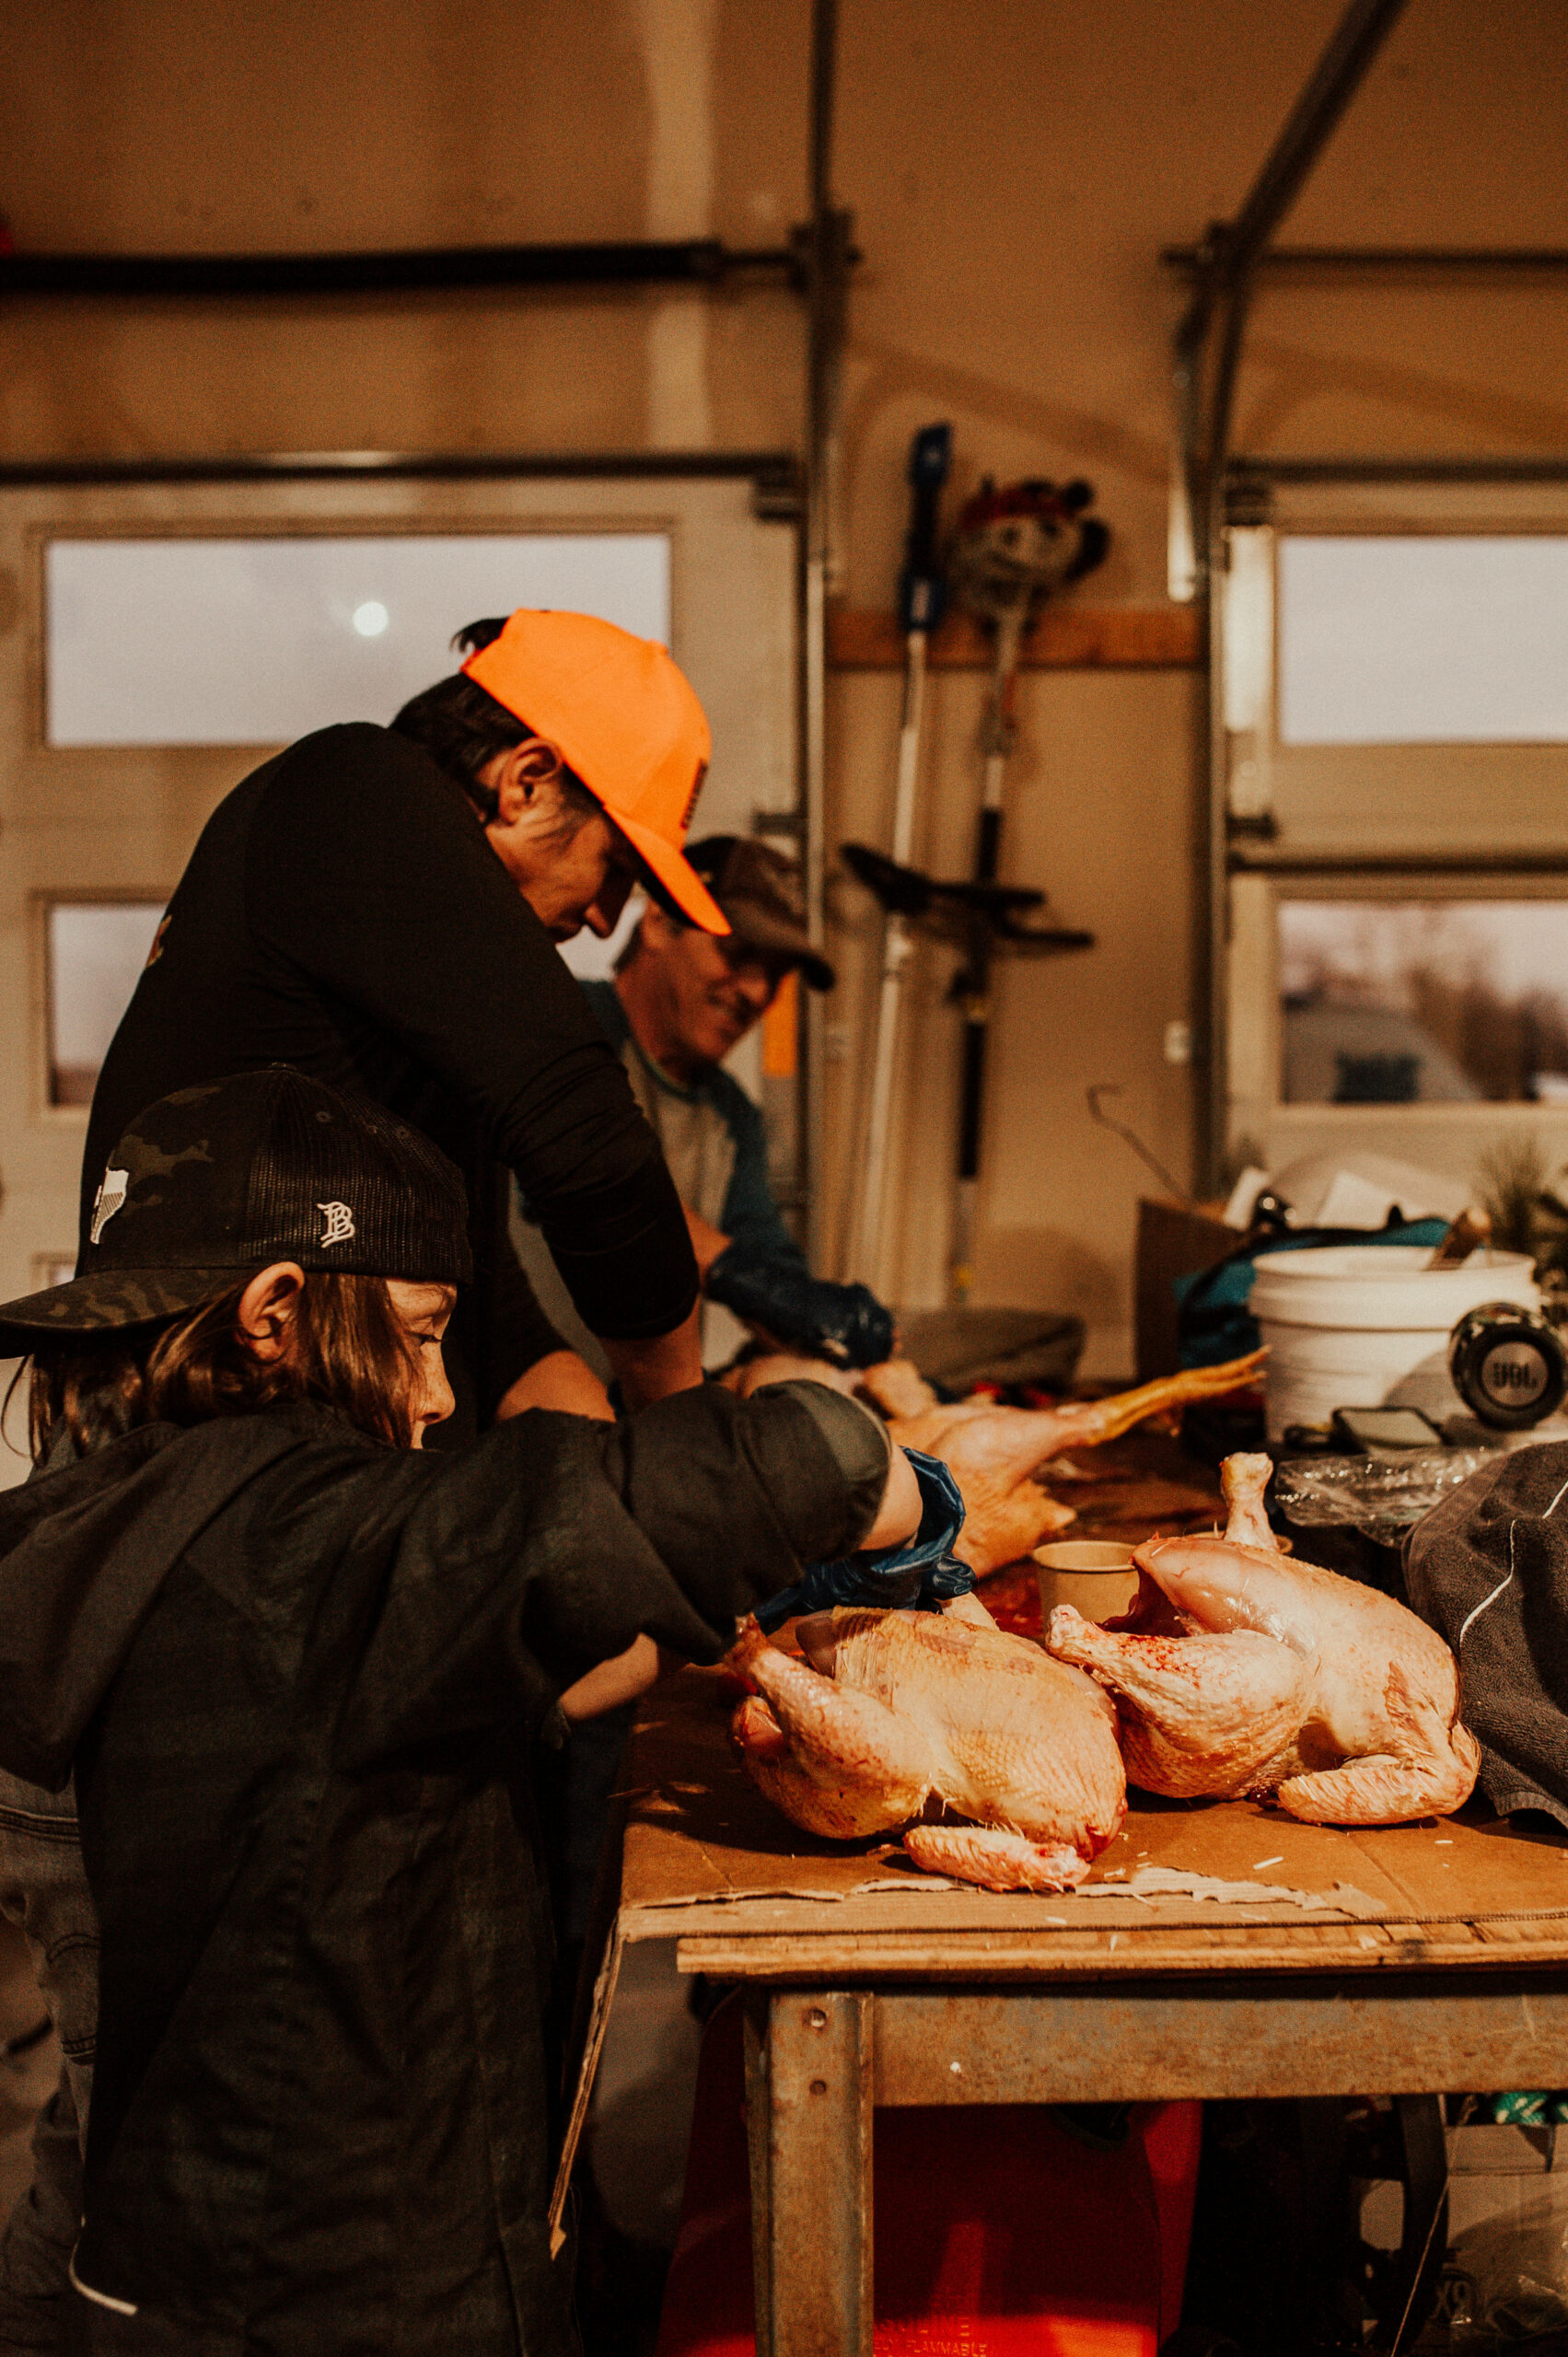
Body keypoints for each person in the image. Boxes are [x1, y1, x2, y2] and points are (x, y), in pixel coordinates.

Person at [0, 1067, 924, 2355]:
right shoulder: (321, 1546)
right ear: (276, 1311)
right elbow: (793, 1459)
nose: (438, 1397)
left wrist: (708, 1623)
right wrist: (907, 1494)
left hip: (184, 2264)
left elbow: (432, 1691)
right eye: (425, 1332)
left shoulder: (155, 1522)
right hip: (346, 2300)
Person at [81, 608, 732, 1438]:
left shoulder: (404, 955)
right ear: (526, 778)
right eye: (617, 869)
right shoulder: (357, 789)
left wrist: (624, 1469)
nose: (608, 921)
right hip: (205, 1457)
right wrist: (684, 1425)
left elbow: (489, 1297)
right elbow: (593, 1150)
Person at [579, 834, 894, 1370]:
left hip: (641, 1413)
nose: (755, 990)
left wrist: (814, 1313)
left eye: (775, 973)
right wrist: (736, 1273)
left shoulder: (731, 1114)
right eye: (739, 952)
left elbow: (764, 1255)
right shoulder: (569, 1024)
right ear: (658, 922)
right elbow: (598, 1184)